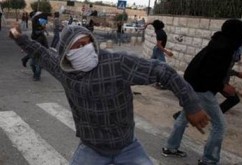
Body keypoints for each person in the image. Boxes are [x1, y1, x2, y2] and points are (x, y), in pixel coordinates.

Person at [9, 24, 209, 165]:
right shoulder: (64, 70)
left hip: (127, 146)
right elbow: (41, 54)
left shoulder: (117, 64)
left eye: (87, 43)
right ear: (66, 53)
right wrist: (19, 37)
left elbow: (162, 71)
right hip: (91, 149)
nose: (84, 49)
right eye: (77, 46)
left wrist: (191, 104)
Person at [163, 19, 242, 165]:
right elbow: (210, 73)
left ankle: (170, 147)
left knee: (184, 118)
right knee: (219, 126)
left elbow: (204, 68)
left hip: (193, 86)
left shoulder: (218, 43)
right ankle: (209, 160)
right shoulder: (225, 49)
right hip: (202, 90)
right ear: (237, 34)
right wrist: (223, 86)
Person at [21, 11, 51, 81]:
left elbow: (44, 43)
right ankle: (35, 74)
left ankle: (37, 76)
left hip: (41, 49)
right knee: (32, 64)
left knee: (38, 65)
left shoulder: (40, 32)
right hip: (37, 44)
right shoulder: (36, 23)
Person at [144, 19, 173, 89]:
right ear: (160, 25)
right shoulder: (160, 33)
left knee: (150, 65)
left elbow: (152, 23)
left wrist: (146, 24)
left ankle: (147, 78)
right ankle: (160, 83)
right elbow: (159, 45)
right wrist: (167, 52)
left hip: (156, 50)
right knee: (163, 66)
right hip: (158, 50)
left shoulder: (158, 30)